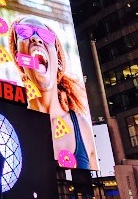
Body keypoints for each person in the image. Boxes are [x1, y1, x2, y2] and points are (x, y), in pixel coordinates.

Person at [8, 16, 98, 170]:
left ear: (57, 58)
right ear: (18, 59)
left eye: (45, 36)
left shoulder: (82, 127)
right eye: (24, 32)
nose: (36, 39)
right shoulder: (12, 125)